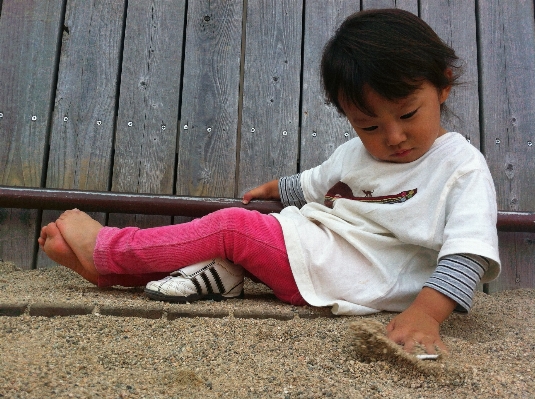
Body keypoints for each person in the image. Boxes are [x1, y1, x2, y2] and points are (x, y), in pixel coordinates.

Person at [38, 8, 500, 355]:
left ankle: (109, 250)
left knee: (232, 229)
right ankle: (122, 273)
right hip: (315, 247)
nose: (393, 136)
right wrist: (276, 189)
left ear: (443, 85)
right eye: (369, 125)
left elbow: (469, 253)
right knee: (231, 242)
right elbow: (317, 182)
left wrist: (424, 313)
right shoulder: (356, 154)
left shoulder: (462, 168)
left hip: (348, 271)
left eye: (407, 115)